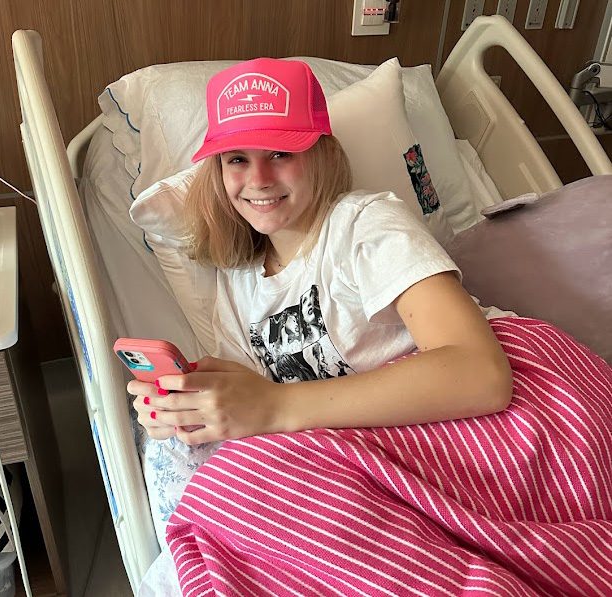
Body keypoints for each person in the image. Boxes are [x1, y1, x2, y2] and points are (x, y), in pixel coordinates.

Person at [127, 57, 517, 444]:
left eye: (280, 154)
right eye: (238, 160)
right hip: (363, 443)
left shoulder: (365, 226)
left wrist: (277, 405)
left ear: (322, 155)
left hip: (482, 410)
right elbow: (248, 405)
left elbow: (481, 373)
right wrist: (187, 408)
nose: (259, 180)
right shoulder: (236, 285)